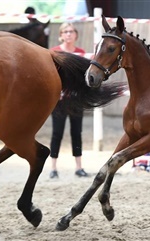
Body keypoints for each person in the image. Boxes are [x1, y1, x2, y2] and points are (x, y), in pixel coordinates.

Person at [49, 22, 87, 178]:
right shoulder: (53, 52)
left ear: (76, 35)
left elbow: (84, 77)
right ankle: (53, 168)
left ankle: (79, 167)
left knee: (76, 133)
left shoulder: (81, 53)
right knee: (57, 133)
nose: (69, 34)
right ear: (61, 35)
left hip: (76, 100)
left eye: (71, 31)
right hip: (59, 101)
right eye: (66, 31)